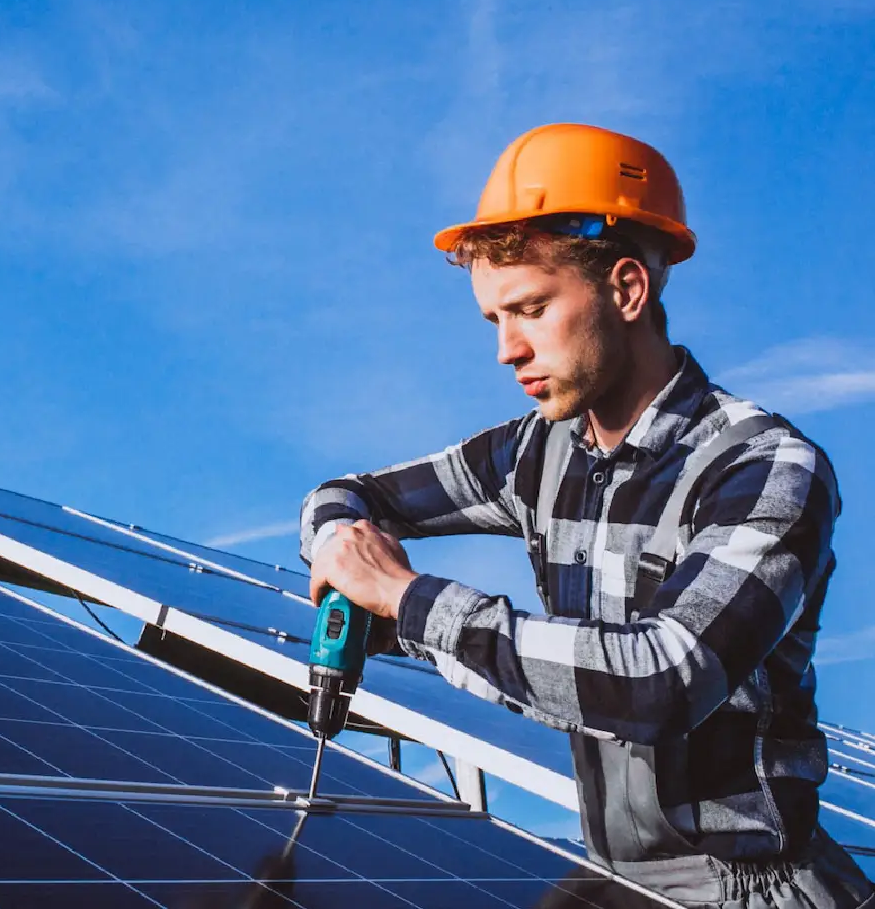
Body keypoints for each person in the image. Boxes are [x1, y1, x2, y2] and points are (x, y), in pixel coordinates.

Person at [299, 123, 874, 909]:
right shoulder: (532, 456)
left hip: (751, 888)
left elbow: (665, 683)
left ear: (628, 290)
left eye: (531, 309)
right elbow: (347, 493)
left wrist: (408, 601)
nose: (507, 350)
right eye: (494, 320)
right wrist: (339, 547)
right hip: (613, 876)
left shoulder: (763, 468)